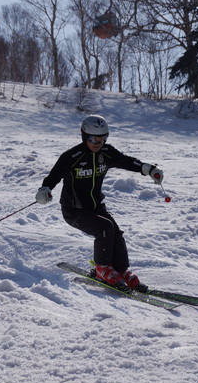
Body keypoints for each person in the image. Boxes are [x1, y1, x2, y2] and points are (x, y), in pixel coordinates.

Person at [35, 115, 164, 291]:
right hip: (74, 210)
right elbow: (53, 176)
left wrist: (149, 169)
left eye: (103, 138)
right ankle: (102, 268)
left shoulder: (106, 153)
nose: (98, 143)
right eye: (93, 139)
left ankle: (120, 270)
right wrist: (45, 190)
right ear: (84, 136)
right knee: (104, 228)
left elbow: (127, 161)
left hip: (96, 207)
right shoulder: (72, 156)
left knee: (115, 231)